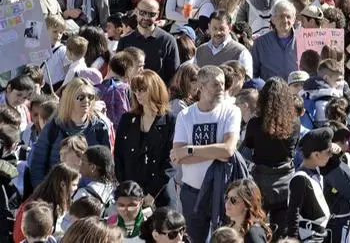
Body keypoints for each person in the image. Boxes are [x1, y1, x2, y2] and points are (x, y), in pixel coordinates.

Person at [171, 65, 242, 243]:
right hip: (192, 192)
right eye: (215, 85)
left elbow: (227, 150)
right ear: (200, 87)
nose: (221, 89)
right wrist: (213, 151)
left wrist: (190, 150)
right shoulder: (186, 115)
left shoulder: (231, 111)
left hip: (223, 191)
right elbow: (178, 156)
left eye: (223, 84)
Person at [242, 78, 301, 238]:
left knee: (256, 231)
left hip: (260, 183)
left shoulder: (254, 124)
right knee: (281, 233)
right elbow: (293, 150)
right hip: (285, 182)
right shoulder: (295, 123)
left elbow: (246, 152)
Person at [29, 77, 112, 187]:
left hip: (87, 196)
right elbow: (37, 164)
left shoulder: (100, 128)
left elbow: (106, 167)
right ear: (69, 99)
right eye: (81, 97)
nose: (87, 101)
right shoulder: (54, 126)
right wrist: (43, 192)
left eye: (90, 97)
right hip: (56, 193)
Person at [114, 70, 176, 208]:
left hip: (161, 194)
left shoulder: (171, 120)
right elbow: (118, 156)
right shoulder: (127, 119)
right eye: (135, 90)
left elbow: (171, 161)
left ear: (155, 89)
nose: (138, 94)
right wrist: (126, 189)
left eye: (142, 89)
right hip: (130, 194)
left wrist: (152, 193)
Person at [118, 0, 180, 85]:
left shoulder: (168, 40)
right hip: (131, 93)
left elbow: (174, 74)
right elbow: (119, 71)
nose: (146, 17)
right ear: (136, 11)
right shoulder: (125, 40)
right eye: (142, 12)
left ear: (157, 15)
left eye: (151, 14)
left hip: (158, 94)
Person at [223, 179, 272, 243]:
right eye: (227, 198)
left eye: (233, 200)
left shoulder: (253, 233)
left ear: (247, 204)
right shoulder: (228, 228)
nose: (227, 203)